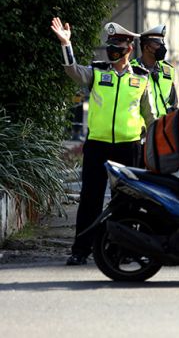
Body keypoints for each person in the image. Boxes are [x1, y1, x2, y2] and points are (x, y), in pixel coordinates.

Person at [51, 17, 156, 265]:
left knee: (127, 201)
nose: (112, 50)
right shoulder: (97, 72)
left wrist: (154, 149)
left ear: (128, 49)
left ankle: (125, 248)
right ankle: (81, 250)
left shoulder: (141, 78)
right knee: (90, 198)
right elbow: (72, 71)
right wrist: (66, 44)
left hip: (129, 147)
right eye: (110, 44)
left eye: (117, 45)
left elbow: (151, 118)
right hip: (97, 145)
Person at [131, 25, 178, 117]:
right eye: (158, 44)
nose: (162, 47)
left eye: (163, 44)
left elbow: (173, 102)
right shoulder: (131, 69)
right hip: (141, 128)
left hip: (162, 127)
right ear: (146, 47)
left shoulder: (168, 70)